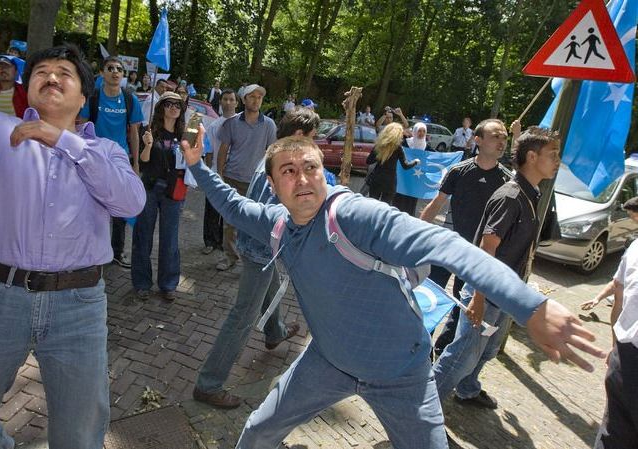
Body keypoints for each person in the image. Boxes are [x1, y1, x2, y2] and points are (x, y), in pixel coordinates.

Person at [181, 131, 605, 449]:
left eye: (311, 167)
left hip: (402, 375)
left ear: (323, 174)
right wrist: (199, 165)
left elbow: (447, 244)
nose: (303, 178)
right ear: (274, 186)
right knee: (257, 430)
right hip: (327, 363)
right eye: (289, 172)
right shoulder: (278, 225)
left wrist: (531, 307)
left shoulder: (354, 215)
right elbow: (234, 206)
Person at [0, 44, 145, 449]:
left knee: (79, 436)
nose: (52, 77)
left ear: (82, 96)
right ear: (29, 87)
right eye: (41, 71)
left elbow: (131, 203)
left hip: (78, 305)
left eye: (65, 72)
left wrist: (62, 141)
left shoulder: (105, 152)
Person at [192, 109, 322, 409]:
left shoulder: (275, 156)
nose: (313, 144)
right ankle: (208, 384)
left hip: (261, 247)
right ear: (299, 135)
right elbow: (270, 212)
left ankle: (274, 333)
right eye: (312, 138)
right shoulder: (282, 164)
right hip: (259, 249)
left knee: (271, 283)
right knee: (242, 317)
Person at [432, 126, 562, 411]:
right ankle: (422, 409)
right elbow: (486, 249)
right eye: (552, 154)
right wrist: (478, 298)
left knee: (487, 350)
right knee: (461, 356)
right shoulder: (511, 196)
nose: (558, 161)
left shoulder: (532, 192)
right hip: (486, 294)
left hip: (504, 294)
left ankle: (467, 389)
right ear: (531, 156)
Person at [420, 119, 512, 358]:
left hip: (478, 256)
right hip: (448, 247)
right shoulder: (459, 171)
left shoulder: (507, 181)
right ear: (478, 140)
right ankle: (421, 344)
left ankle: (441, 353)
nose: (501, 141)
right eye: (495, 136)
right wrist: (414, 237)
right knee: (432, 295)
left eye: (504, 137)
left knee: (462, 306)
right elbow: (435, 205)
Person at [79, 56, 143, 269]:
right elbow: (81, 126)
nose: (115, 72)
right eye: (110, 68)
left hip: (120, 160)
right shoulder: (93, 98)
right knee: (92, 206)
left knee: (119, 208)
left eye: (119, 69)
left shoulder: (129, 99)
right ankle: (92, 250)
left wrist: (135, 164)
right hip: (94, 159)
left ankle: (117, 252)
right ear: (103, 73)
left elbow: (134, 133)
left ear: (123, 75)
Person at [132, 92, 187, 301]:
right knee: (143, 236)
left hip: (173, 192)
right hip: (150, 188)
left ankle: (168, 284)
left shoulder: (184, 134)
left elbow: (190, 163)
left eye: (177, 105)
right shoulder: (150, 130)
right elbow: (143, 162)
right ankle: (142, 283)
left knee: (170, 239)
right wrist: (147, 145)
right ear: (161, 107)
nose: (173, 107)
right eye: (169, 104)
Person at [215, 84, 276, 271]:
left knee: (254, 223)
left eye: (259, 97)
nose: (256, 100)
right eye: (252, 96)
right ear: (244, 99)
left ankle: (251, 260)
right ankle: (230, 257)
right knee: (230, 223)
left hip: (257, 182)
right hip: (233, 179)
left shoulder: (269, 125)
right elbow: (223, 150)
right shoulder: (231, 123)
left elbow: (272, 153)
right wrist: (219, 175)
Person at [594, 198, 638, 448]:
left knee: (613, 436)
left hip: (625, 359)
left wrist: (614, 348)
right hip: (625, 358)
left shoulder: (635, 249)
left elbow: (619, 300)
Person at [202, 88, 238, 255]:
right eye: (225, 99)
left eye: (231, 99)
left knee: (230, 212)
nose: (228, 102)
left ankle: (226, 243)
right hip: (216, 173)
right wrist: (209, 173)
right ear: (220, 101)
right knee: (211, 209)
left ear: (237, 103)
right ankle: (210, 241)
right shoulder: (214, 125)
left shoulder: (242, 124)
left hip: (236, 175)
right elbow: (209, 151)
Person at [365, 122, 419, 205]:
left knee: (372, 206)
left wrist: (380, 155)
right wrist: (415, 162)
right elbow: (406, 166)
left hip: (376, 180)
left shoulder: (379, 145)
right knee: (385, 208)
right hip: (390, 183)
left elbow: (368, 161)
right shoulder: (398, 148)